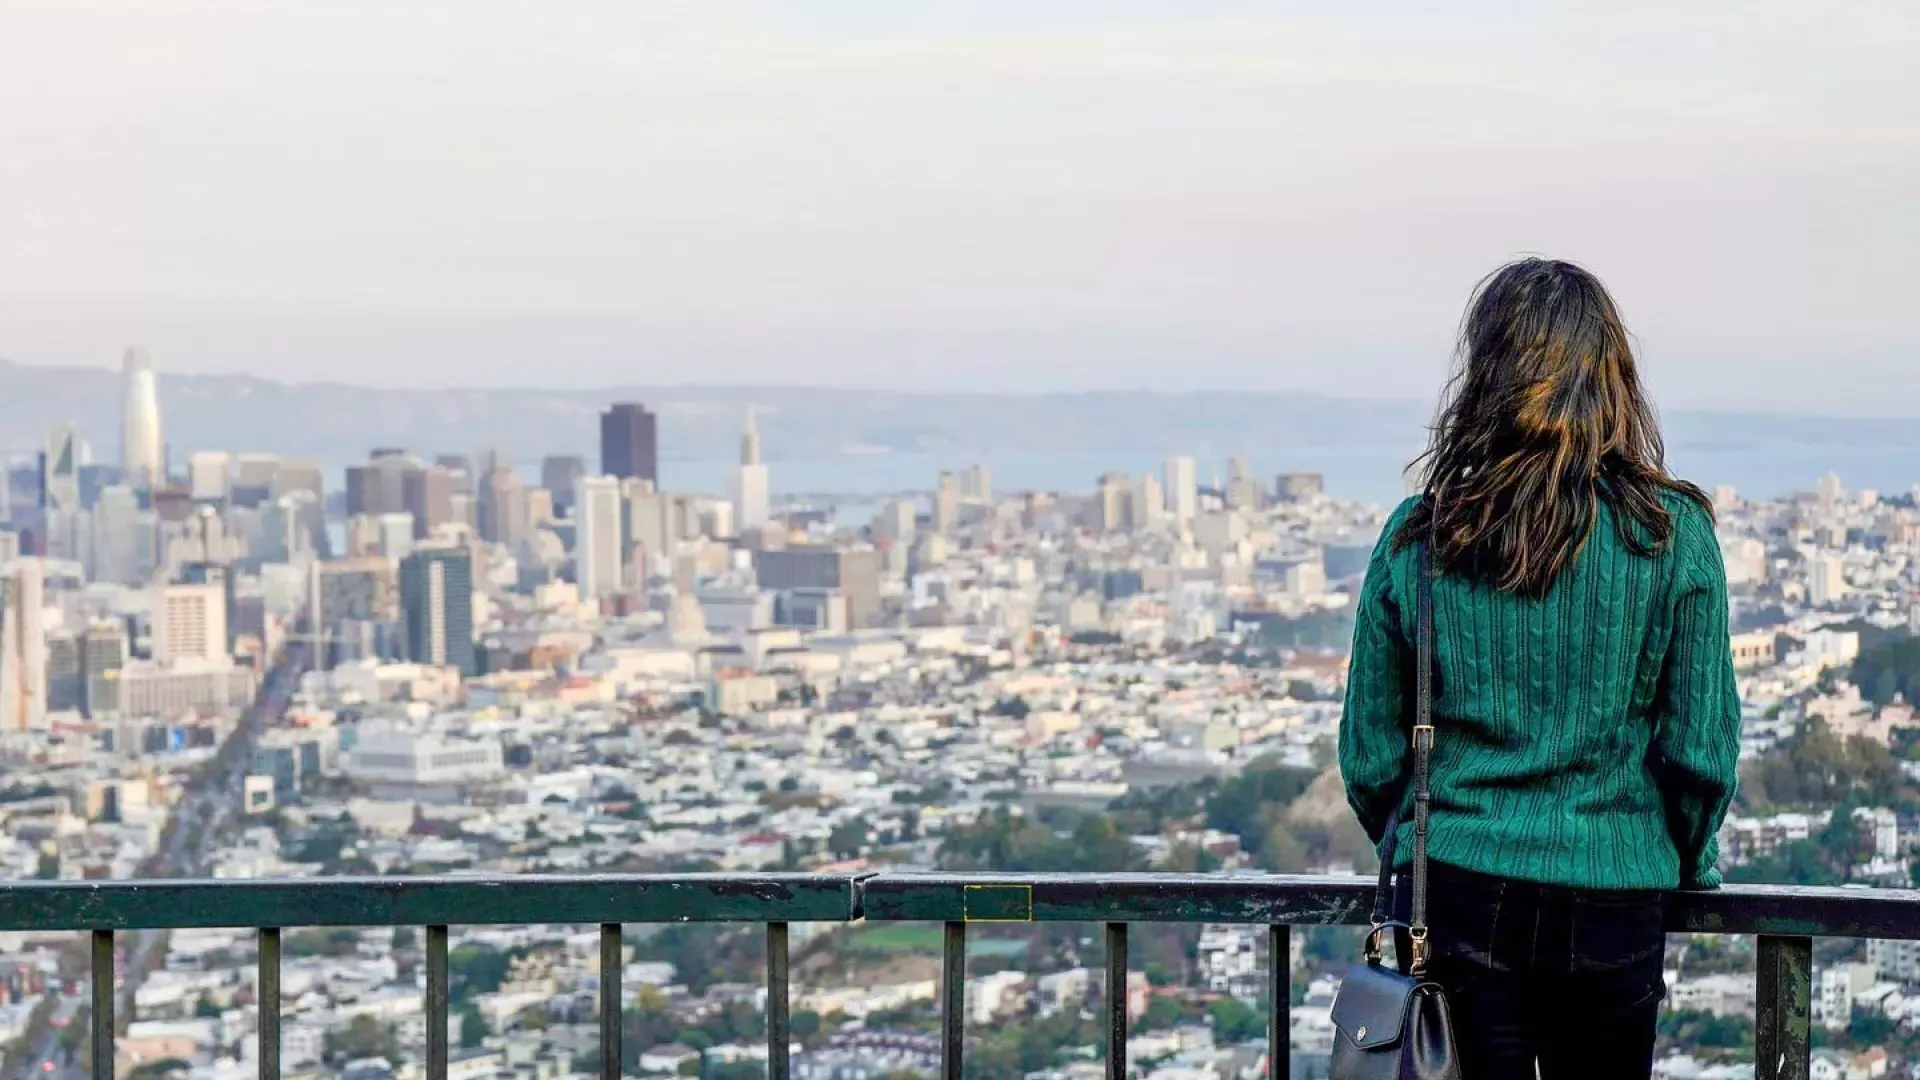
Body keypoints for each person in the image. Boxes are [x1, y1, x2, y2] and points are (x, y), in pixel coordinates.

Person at [1339, 258, 1741, 1079]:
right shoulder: (1672, 535)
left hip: (1455, 887)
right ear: (1614, 379)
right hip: (1615, 892)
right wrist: (1682, 862)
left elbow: (1370, 756)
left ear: (1483, 376)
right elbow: (1702, 755)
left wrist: (1426, 833)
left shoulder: (1420, 539)